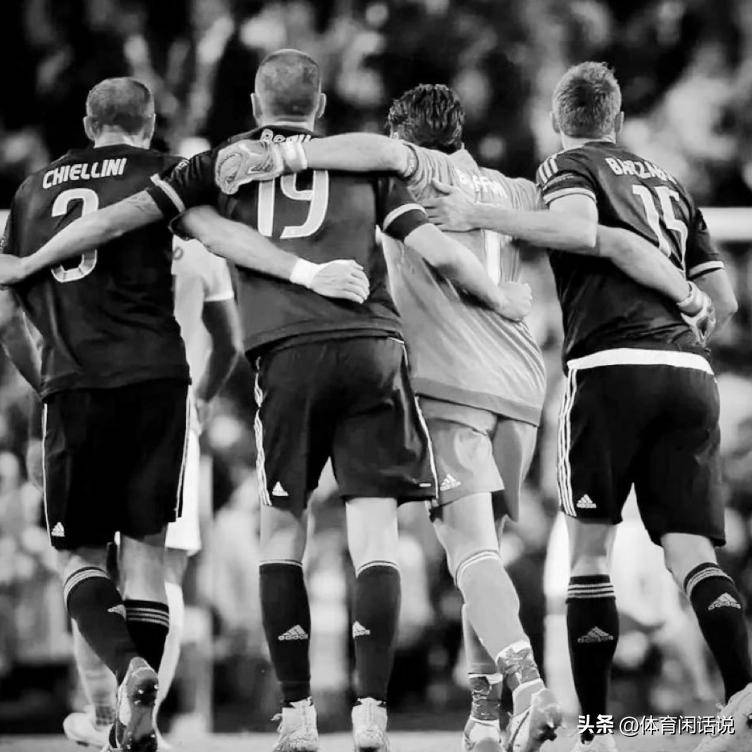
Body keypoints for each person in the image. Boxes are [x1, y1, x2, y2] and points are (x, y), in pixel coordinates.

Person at [0, 50, 531, 752]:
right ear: (319, 108)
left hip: (272, 359)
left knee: (275, 535)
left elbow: (132, 219)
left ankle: (293, 715)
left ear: (254, 106)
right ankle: (372, 714)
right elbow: (438, 248)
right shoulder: (363, 162)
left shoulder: (214, 165)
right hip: (371, 349)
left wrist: (34, 262)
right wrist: (502, 297)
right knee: (374, 537)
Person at [224, 82, 717, 752]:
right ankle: (484, 717)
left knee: (470, 553)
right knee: (483, 560)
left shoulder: (415, 169)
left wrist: (287, 157)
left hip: (448, 383)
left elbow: (373, 153)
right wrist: (686, 292)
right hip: (521, 386)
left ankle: (530, 691)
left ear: (405, 137)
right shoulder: (513, 188)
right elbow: (593, 236)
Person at [0, 75, 368, 752]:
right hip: (162, 383)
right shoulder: (169, 174)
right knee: (149, 560)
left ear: (88, 124)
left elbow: (6, 312)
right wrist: (306, 273)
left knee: (80, 558)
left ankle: (121, 681)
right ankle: (139, 723)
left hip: (73, 384)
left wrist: (42, 380)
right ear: (148, 125)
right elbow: (217, 240)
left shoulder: (29, 193)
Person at [410, 62, 751, 752]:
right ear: (617, 119)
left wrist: (476, 215)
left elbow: (587, 232)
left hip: (609, 366)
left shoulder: (565, 168)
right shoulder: (671, 184)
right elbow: (727, 299)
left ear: (557, 121)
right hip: (689, 371)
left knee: (589, 556)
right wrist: (686, 303)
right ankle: (742, 694)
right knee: (691, 553)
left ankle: (595, 732)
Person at [61, 237, 241, 750]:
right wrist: (203, 397)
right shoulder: (202, 249)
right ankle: (147, 722)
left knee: (90, 562)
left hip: (93, 396)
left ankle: (102, 713)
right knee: (163, 570)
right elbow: (230, 341)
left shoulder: (103, 234)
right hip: (171, 405)